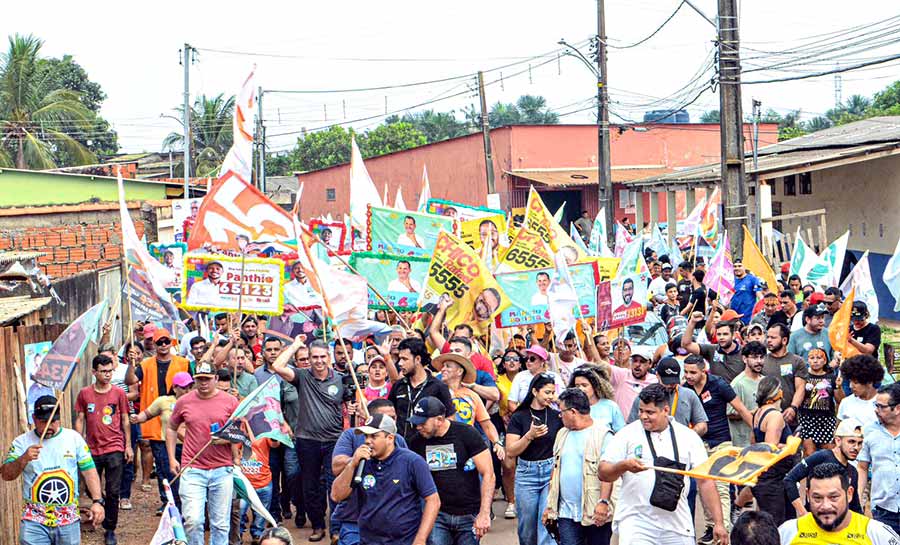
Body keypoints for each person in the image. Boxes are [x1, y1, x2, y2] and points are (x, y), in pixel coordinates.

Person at [599, 384, 728, 545]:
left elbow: (705, 481)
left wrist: (719, 523)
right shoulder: (627, 433)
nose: (643, 416)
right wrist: (623, 466)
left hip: (677, 524)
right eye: (641, 411)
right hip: (636, 522)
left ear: (666, 410)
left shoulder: (688, 437)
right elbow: (603, 472)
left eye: (650, 412)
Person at [271, 338, 347, 542]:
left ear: (329, 358)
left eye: (323, 356)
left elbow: (351, 405)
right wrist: (295, 346)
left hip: (334, 441)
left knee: (335, 485)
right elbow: (277, 366)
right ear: (309, 359)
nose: (319, 361)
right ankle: (318, 526)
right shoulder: (302, 376)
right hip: (307, 441)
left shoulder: (341, 379)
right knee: (311, 486)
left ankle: (336, 529)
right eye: (315, 357)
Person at [2, 395, 106, 545]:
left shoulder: (74, 438)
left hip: (68, 519)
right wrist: (23, 458)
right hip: (34, 520)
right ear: (34, 418)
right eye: (43, 422)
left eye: (53, 421)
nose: (49, 426)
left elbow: (89, 471)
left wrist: (97, 501)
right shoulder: (21, 442)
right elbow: (6, 474)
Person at [331, 413, 440, 545]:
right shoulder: (362, 462)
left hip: (404, 540)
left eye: (374, 436)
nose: (367, 441)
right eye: (366, 436)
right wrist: (352, 464)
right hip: (368, 540)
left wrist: (421, 539)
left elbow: (433, 500)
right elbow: (336, 496)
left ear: (390, 438)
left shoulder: (412, 461)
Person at [167, 362, 240, 545]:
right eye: (199, 379)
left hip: (222, 468)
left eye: (207, 379)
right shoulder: (184, 401)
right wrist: (171, 458)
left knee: (221, 524)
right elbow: (171, 428)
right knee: (193, 520)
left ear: (215, 378)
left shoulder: (230, 401)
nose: (204, 383)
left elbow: (239, 433)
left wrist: (224, 440)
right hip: (192, 468)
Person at [682, 354, 753, 539]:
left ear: (703, 370)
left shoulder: (718, 384)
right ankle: (710, 527)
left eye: (692, 372)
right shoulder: (685, 389)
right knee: (703, 487)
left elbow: (741, 409)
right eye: (686, 372)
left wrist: (758, 432)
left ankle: (725, 530)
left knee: (721, 487)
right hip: (698, 444)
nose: (688, 376)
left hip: (721, 442)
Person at [408, 396, 495, 544]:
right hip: (437, 515)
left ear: (439, 420)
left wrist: (484, 513)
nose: (418, 427)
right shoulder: (416, 442)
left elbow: (488, 474)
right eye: (416, 423)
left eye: (422, 423)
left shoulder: (467, 434)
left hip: (469, 514)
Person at [125, 328, 190, 515]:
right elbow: (130, 379)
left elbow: (193, 386)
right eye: (159, 342)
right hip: (156, 420)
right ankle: (167, 500)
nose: (162, 345)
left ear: (171, 342)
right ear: (153, 344)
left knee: (184, 466)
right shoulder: (145, 364)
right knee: (162, 466)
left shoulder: (184, 363)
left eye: (166, 341)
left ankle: (184, 500)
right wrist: (132, 363)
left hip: (181, 424)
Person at [331, 399, 408, 545]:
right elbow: (336, 466)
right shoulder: (351, 435)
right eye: (385, 418)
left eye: (393, 418)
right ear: (369, 418)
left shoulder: (399, 440)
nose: (391, 422)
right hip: (354, 520)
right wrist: (355, 461)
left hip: (389, 524)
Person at [543, 388, 614, 545]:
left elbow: (608, 474)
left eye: (562, 412)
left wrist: (603, 502)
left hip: (594, 511)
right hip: (566, 512)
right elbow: (555, 470)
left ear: (573, 412)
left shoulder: (603, 435)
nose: (560, 416)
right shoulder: (562, 434)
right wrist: (549, 505)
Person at [74, 355, 131, 545]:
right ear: (94, 372)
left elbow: (125, 419)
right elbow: (80, 419)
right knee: (93, 490)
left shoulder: (118, 393)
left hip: (114, 446)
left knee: (113, 490)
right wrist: (77, 442)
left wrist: (128, 445)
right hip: (91, 448)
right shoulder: (84, 394)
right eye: (103, 371)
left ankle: (110, 528)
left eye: (110, 371)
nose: (107, 375)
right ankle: (102, 505)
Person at [505, 373, 564, 545]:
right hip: (526, 474)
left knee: (546, 524)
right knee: (527, 529)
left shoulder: (556, 416)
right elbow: (511, 450)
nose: (551, 396)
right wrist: (529, 436)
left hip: (549, 472)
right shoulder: (519, 417)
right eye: (547, 392)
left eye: (553, 392)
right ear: (535, 391)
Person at [779, 463, 900, 544]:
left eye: (834, 497)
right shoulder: (788, 532)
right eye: (817, 498)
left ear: (849, 494)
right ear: (808, 495)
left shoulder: (875, 533)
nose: (826, 506)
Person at [784, 418, 864, 516]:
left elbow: (855, 506)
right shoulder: (821, 457)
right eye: (851, 442)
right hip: (814, 521)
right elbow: (790, 479)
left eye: (859, 443)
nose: (856, 447)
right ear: (838, 441)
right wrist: (803, 512)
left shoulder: (853, 472)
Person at [431, 353, 505, 460]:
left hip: (467, 447)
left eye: (448, 366)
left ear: (460, 371)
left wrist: (497, 442)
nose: (443, 369)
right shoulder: (434, 393)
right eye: (443, 366)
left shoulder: (472, 396)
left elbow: (487, 424)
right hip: (441, 446)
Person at [387, 337, 455, 438]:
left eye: (405, 359)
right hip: (401, 445)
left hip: (427, 445)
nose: (400, 363)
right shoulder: (398, 385)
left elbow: (450, 418)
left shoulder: (439, 387)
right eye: (400, 358)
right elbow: (390, 413)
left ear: (418, 359)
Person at [751, 377, 797, 525]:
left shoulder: (758, 413)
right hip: (773, 479)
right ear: (778, 394)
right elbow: (770, 448)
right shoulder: (775, 416)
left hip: (766, 476)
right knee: (777, 525)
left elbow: (754, 443)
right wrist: (790, 444)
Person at [626, 357, 708, 435]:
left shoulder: (689, 395)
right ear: (657, 375)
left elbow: (702, 425)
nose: (669, 385)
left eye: (673, 382)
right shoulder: (645, 396)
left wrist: (686, 437)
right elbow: (631, 427)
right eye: (666, 382)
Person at [858, 383, 900, 535]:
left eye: (882, 407)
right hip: (883, 510)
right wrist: (858, 498)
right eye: (876, 405)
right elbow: (862, 467)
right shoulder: (870, 431)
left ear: (897, 408)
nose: (877, 410)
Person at [795, 348, 838, 456]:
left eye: (819, 358)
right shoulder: (803, 376)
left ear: (825, 361)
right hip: (807, 419)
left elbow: (840, 400)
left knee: (828, 452)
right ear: (807, 360)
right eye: (812, 358)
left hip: (826, 420)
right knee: (809, 453)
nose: (815, 361)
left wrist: (839, 386)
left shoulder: (832, 377)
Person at [682, 311, 745, 382]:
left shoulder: (744, 352)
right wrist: (692, 322)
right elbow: (686, 345)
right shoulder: (712, 349)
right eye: (719, 334)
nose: (721, 337)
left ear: (733, 335)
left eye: (725, 334)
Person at [497, 348, 522, 519]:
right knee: (508, 464)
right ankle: (511, 502)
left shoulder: (527, 379)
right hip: (503, 425)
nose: (511, 362)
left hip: (526, 424)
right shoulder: (497, 380)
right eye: (508, 359)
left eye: (515, 359)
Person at [762, 323, 806, 418]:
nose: (769, 340)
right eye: (768, 337)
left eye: (773, 338)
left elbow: (800, 388)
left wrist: (793, 407)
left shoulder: (797, 361)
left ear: (784, 340)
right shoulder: (762, 361)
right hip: (767, 415)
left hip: (790, 415)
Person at [729, 341, 766, 447]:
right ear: (745, 359)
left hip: (763, 440)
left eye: (761, 357)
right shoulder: (738, 383)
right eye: (754, 357)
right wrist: (751, 413)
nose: (759, 361)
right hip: (744, 442)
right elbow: (730, 414)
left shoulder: (765, 381)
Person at [507, 345, 566, 412]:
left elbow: (565, 401)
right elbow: (511, 403)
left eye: (532, 359)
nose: (528, 361)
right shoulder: (520, 376)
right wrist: (523, 418)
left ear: (542, 361)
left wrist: (555, 399)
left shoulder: (555, 377)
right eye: (526, 359)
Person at [604, 346, 658, 417]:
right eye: (635, 361)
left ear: (650, 364)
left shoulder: (655, 381)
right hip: (620, 426)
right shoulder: (622, 375)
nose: (637, 365)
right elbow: (599, 363)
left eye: (642, 362)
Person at [568, 366, 624, 433]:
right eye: (577, 386)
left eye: (584, 385)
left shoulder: (611, 406)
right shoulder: (571, 408)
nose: (580, 389)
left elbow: (621, 433)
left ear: (594, 386)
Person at [837, 354, 884, 429]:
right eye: (850, 381)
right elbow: (838, 432)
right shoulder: (846, 402)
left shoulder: (884, 403)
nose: (851, 386)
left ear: (869, 382)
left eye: (856, 382)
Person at [731, 259, 764, 324]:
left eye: (739, 266)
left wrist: (761, 309)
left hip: (748, 318)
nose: (737, 268)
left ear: (744, 267)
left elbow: (760, 296)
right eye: (735, 266)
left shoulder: (752, 279)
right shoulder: (731, 280)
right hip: (734, 319)